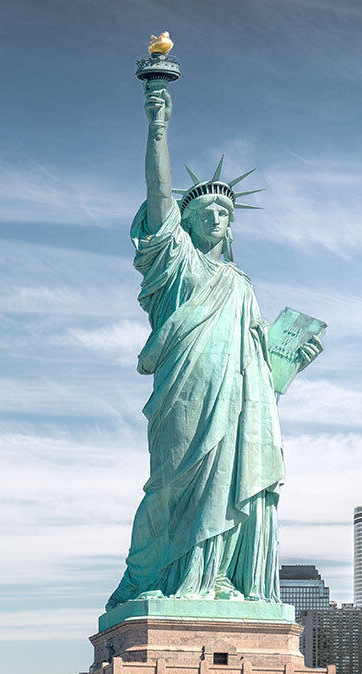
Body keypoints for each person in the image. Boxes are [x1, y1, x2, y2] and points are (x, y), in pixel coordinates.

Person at [107, 81, 322, 609]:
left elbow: (262, 369)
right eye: (205, 210)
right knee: (169, 488)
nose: (217, 216)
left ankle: (216, 577)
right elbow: (160, 196)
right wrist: (158, 125)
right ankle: (164, 577)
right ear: (187, 220)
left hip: (237, 402)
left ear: (231, 226)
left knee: (230, 483)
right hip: (184, 390)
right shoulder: (175, 262)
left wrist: (292, 360)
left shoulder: (242, 284)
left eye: (226, 213)